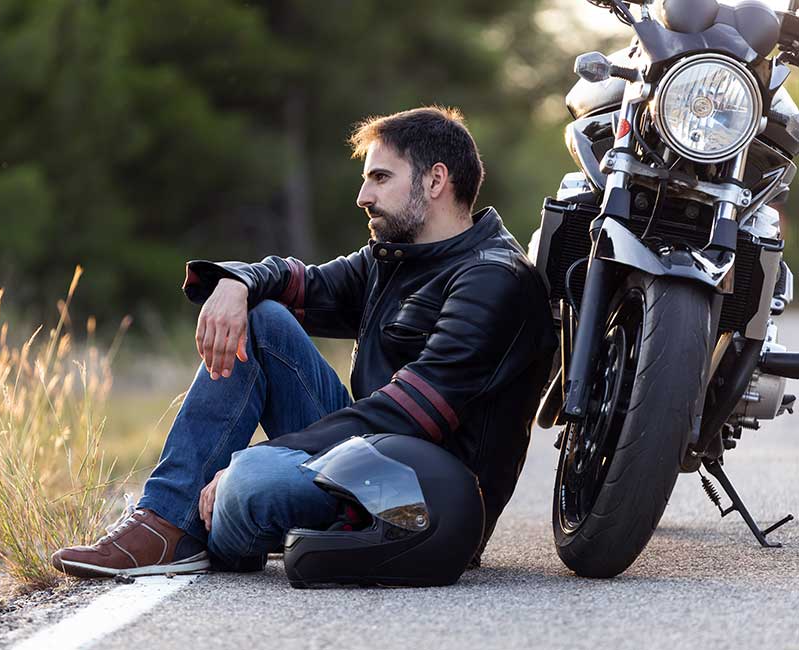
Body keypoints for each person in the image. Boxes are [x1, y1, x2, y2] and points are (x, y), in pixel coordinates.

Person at [51, 106, 557, 578]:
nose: (364, 197)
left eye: (380, 178)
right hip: (367, 458)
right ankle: (164, 524)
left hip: (424, 500)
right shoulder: (394, 257)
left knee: (248, 483)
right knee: (262, 318)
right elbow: (299, 283)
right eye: (366, 180)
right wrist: (237, 283)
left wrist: (251, 462)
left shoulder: (495, 280)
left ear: (436, 180)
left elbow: (412, 415)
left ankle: (207, 525)